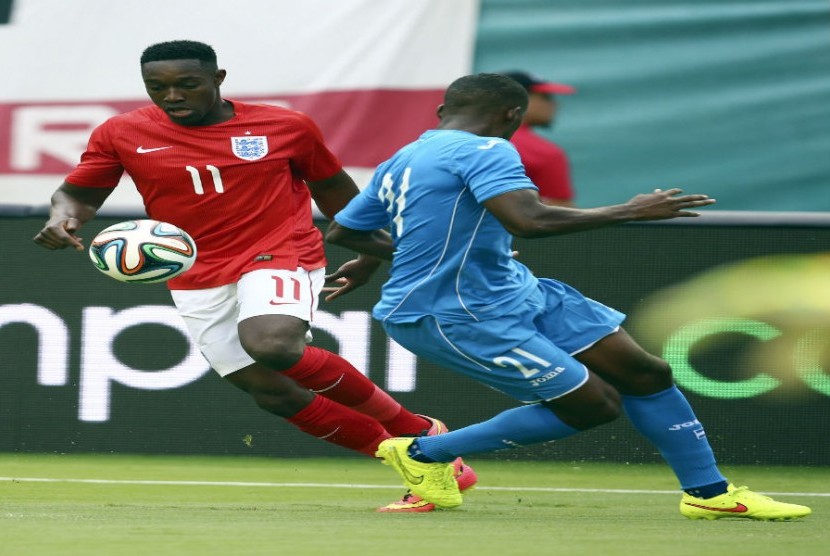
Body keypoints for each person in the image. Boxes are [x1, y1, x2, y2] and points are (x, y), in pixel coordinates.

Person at [325, 73, 812, 520]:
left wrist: (395, 258)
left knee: (645, 373)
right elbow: (529, 221)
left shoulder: (401, 159)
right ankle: (421, 453)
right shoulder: (486, 150)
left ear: (441, 112)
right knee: (593, 405)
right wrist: (630, 211)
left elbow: (345, 230)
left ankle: (711, 496)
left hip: (516, 292)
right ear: (513, 115)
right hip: (453, 313)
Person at [32, 39, 476, 512]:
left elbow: (341, 199)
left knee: (272, 344)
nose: (172, 96)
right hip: (196, 272)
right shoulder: (122, 132)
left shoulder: (284, 126)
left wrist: (374, 254)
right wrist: (65, 217)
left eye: (187, 84)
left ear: (219, 79)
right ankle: (422, 462)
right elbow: (78, 193)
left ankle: (419, 432)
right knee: (272, 392)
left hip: (280, 251)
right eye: (157, 87)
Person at [500, 70, 576, 207]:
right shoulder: (543, 151)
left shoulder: (458, 139)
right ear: (518, 99)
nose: (555, 105)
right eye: (545, 97)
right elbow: (560, 212)